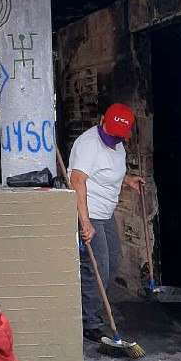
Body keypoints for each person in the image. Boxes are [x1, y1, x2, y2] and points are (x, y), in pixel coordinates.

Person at [68, 103, 144, 343]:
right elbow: (77, 180)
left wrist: (127, 180)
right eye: (110, 134)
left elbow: (107, 174)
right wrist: (85, 222)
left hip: (106, 213)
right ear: (102, 120)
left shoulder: (118, 143)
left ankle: (94, 308)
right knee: (97, 265)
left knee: (113, 261)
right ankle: (87, 321)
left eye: (118, 137)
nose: (112, 139)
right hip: (88, 212)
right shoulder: (89, 145)